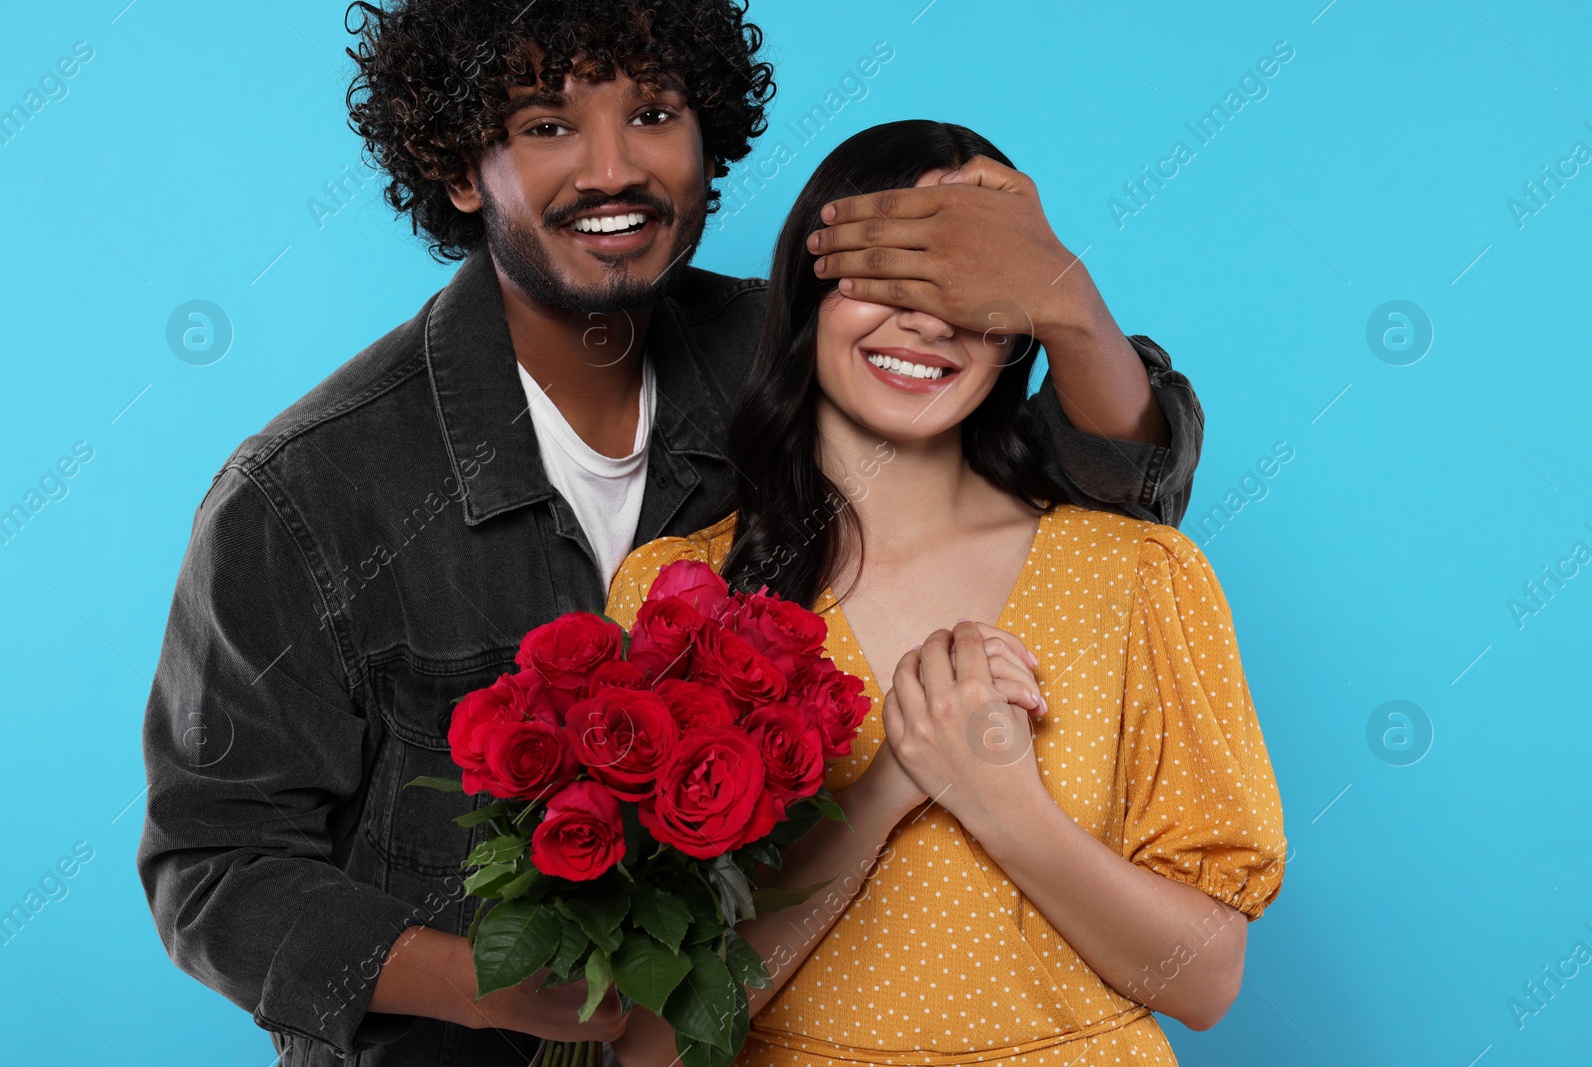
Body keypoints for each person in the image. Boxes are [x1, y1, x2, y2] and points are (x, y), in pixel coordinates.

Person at [135, 5, 1205, 1067]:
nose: (613, 168)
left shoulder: (792, 353)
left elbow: (1086, 493)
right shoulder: (307, 493)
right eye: (546, 124)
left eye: (651, 112)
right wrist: (501, 985)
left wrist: (1066, 305)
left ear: (707, 141)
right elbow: (215, 865)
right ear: (462, 169)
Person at [604, 120, 1285, 1066]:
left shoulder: (1137, 574)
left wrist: (1005, 803)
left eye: (965, 290)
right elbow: (649, 1046)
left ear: (1017, 330)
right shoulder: (678, 594)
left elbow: (1206, 982)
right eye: (889, 277)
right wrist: (888, 787)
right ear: (808, 294)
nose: (926, 321)